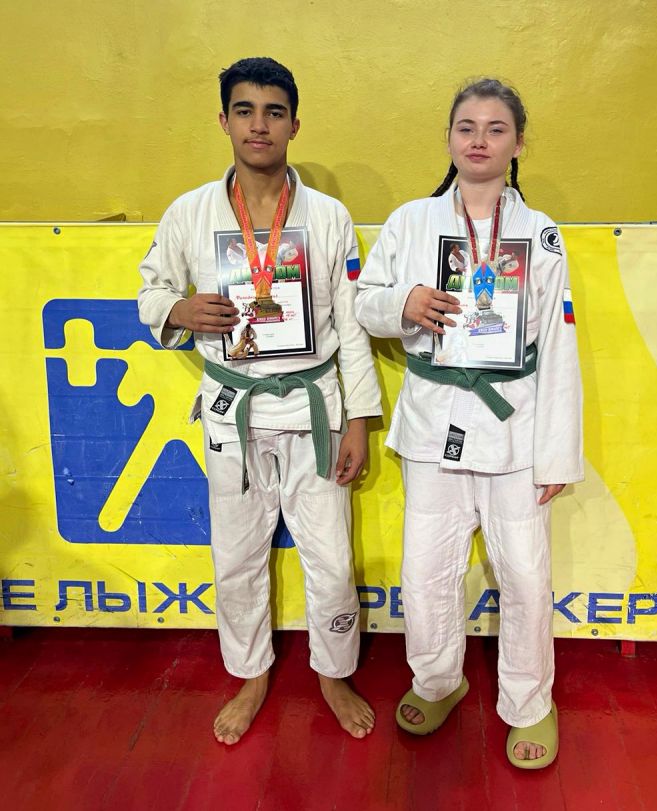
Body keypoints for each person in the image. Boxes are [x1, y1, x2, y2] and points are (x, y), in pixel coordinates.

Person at [138, 57, 381, 745]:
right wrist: (179, 309)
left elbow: (352, 324)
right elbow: (151, 291)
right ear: (224, 120)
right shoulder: (189, 212)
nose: (259, 125)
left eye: (274, 112)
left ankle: (334, 672)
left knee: (330, 557)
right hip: (233, 408)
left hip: (314, 408)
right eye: (244, 110)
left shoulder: (329, 217)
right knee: (237, 555)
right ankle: (250, 674)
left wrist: (359, 419)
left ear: (294, 124)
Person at [354, 78, 583, 769]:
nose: (479, 140)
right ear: (449, 138)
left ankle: (529, 701)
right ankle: (437, 680)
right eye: (466, 127)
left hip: (517, 428)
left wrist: (557, 455)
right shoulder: (410, 222)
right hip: (435, 423)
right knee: (426, 569)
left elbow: (559, 342)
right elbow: (363, 304)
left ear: (518, 144)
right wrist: (403, 302)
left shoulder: (540, 233)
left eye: (495, 128)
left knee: (524, 574)